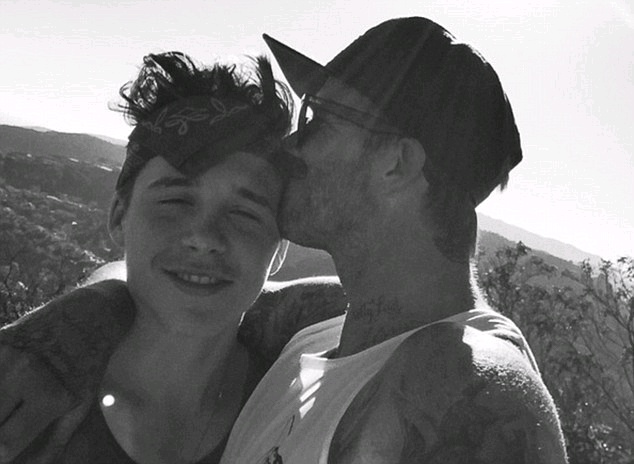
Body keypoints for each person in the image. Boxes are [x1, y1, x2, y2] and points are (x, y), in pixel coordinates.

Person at [219, 17, 569, 463]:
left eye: (317, 118)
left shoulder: (466, 390)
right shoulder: (320, 328)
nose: (291, 143)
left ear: (397, 164)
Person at [0, 51, 345, 463]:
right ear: (118, 216)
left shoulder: (298, 407)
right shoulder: (24, 409)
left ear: (279, 250)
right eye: (176, 200)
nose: (204, 237)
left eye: (244, 213)